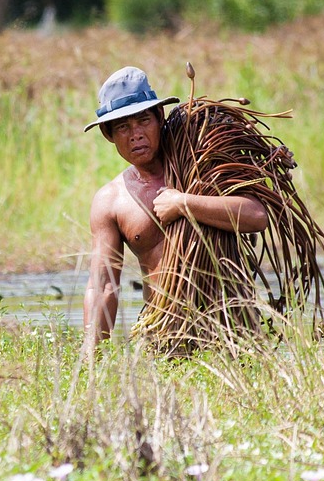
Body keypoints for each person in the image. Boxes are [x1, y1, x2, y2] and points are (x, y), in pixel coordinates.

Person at [81, 66, 269, 356]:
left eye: (143, 121)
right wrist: (89, 356)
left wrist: (184, 203)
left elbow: (256, 216)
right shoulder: (110, 201)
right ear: (109, 135)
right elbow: (103, 285)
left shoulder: (203, 168)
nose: (136, 135)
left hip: (232, 329)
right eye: (123, 127)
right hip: (162, 336)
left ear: (160, 118)